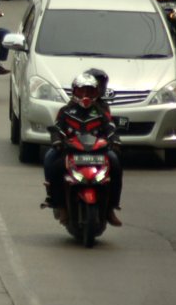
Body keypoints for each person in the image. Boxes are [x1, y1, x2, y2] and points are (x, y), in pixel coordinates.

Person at [44, 72, 122, 226]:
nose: (85, 95)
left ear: (96, 93)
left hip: (97, 152)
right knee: (51, 163)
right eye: (82, 91)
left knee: (116, 163)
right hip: (71, 151)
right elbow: (57, 129)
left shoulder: (100, 111)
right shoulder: (66, 111)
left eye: (90, 91)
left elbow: (110, 127)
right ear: (75, 92)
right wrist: (57, 141)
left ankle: (111, 208)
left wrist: (115, 140)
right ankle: (59, 204)